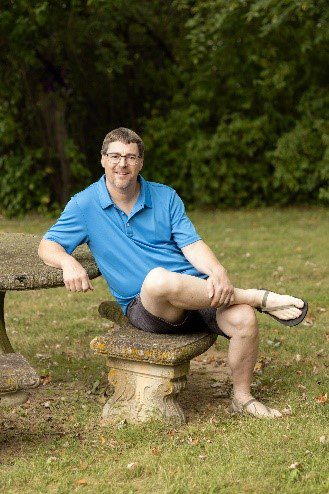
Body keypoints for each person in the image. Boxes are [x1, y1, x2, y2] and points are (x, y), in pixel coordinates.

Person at [38, 127, 308, 419]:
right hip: (149, 306)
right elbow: (47, 245)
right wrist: (68, 262)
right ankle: (256, 296)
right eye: (115, 156)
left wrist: (217, 271)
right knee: (157, 280)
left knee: (243, 318)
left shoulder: (164, 197)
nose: (122, 164)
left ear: (141, 162)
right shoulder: (84, 204)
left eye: (130, 157)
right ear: (103, 160)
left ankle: (242, 398)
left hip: (195, 291)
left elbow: (192, 245)